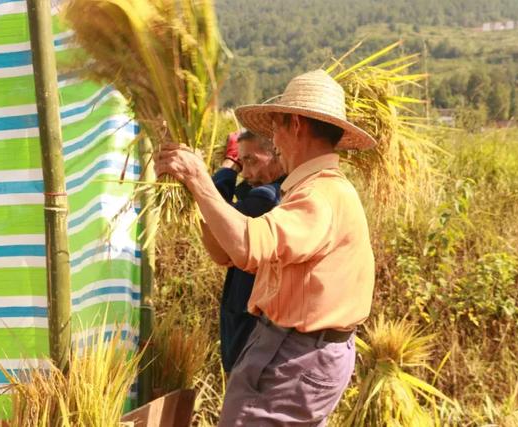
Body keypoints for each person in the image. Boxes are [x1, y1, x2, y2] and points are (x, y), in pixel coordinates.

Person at [154, 69, 377, 426]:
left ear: (296, 125)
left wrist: (199, 178)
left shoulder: (319, 197)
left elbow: (246, 245)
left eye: (276, 129)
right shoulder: (313, 190)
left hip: (294, 353)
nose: (274, 141)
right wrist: (196, 195)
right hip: (300, 350)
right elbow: (224, 253)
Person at [201, 130, 285, 374]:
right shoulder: (256, 191)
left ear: (278, 155)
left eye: (251, 160)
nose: (246, 173)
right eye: (241, 160)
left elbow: (214, 212)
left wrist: (229, 165)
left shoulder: (269, 198)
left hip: (255, 328)